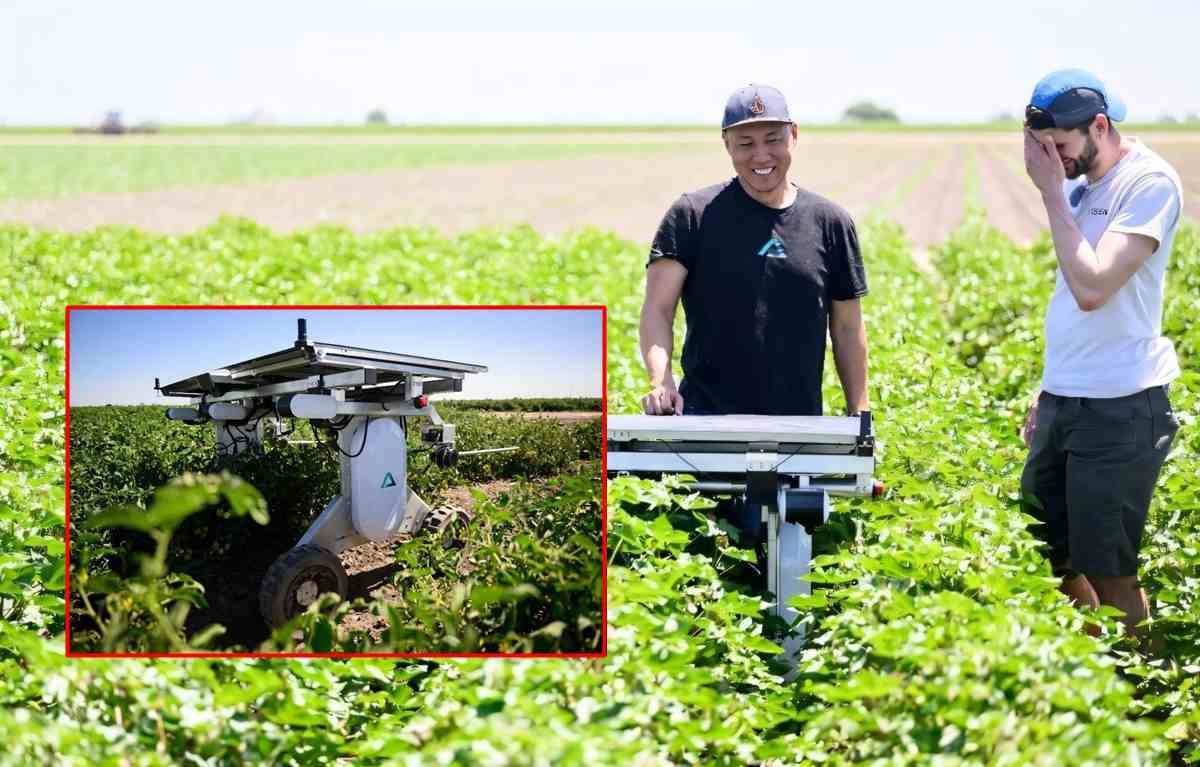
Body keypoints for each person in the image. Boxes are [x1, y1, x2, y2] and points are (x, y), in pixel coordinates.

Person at [638, 83, 870, 542]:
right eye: (745, 143)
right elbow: (657, 310)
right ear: (726, 144)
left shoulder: (831, 222)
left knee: (791, 560)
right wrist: (660, 381)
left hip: (799, 432)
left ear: (794, 136)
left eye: (772, 139)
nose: (760, 154)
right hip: (706, 427)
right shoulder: (693, 215)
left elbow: (847, 329)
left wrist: (858, 412)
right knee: (706, 559)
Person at [1020, 69, 1184, 639]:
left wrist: (1049, 194)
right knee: (1051, 552)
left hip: (1120, 404)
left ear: (1098, 126)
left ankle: (1143, 692)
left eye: (1059, 148)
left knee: (1109, 568)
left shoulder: (1149, 184)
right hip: (1068, 396)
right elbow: (1068, 293)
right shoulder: (1075, 185)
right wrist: (1049, 385)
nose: (1052, 162)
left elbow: (1093, 288)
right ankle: (1094, 671)